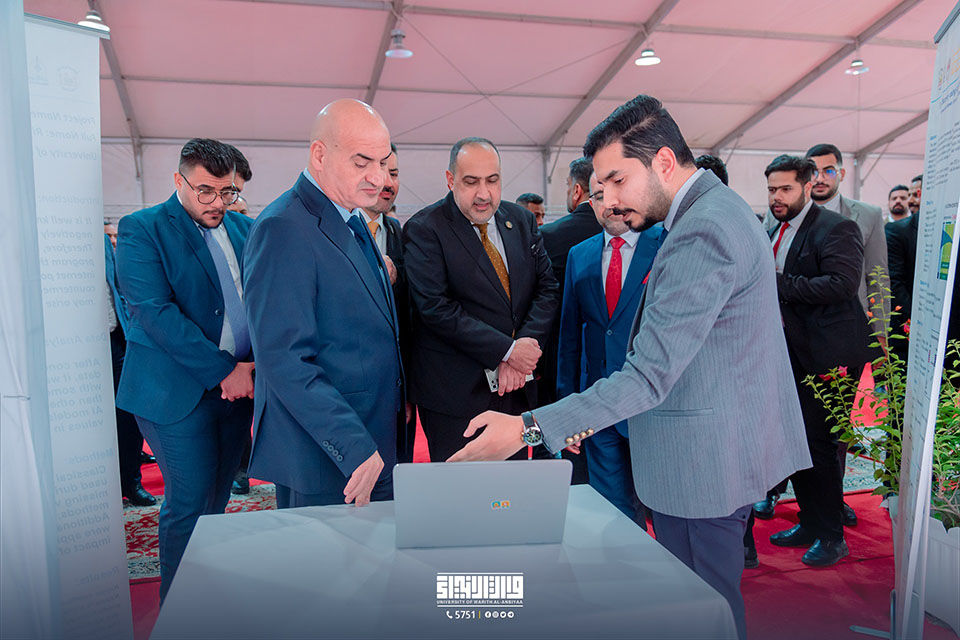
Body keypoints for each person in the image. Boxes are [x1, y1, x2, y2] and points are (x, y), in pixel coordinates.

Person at [449, 95, 810, 640]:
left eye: (618, 180)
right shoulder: (717, 210)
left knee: (703, 609)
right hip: (716, 449)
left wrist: (527, 428)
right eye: (601, 186)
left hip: (702, 466)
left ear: (663, 161)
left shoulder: (702, 229)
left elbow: (648, 374)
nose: (611, 200)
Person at [242, 99, 402, 509]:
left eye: (383, 163)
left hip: (374, 439)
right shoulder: (284, 227)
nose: (378, 177)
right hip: (329, 453)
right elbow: (284, 358)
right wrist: (351, 445)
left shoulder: (350, 216)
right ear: (319, 155)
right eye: (362, 162)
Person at [116, 138, 254, 601]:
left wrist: (251, 367)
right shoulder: (143, 228)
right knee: (190, 500)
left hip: (236, 391)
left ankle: (205, 593)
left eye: (227, 192)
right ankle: (178, 609)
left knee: (216, 500)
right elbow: (155, 314)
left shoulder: (244, 229)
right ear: (179, 180)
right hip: (172, 392)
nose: (218, 203)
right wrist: (225, 371)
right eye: (205, 191)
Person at [403, 137, 559, 463]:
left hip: (516, 393)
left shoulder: (521, 221)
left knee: (513, 488)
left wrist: (524, 348)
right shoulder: (425, 228)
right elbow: (436, 308)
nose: (484, 193)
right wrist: (508, 351)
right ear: (451, 180)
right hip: (455, 397)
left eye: (492, 180)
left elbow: (546, 288)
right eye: (471, 182)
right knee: (461, 491)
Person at [764, 155, 870, 567]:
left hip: (829, 353)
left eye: (785, 189)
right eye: (772, 189)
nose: (776, 197)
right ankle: (810, 523)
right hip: (790, 351)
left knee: (820, 444)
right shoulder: (774, 228)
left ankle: (831, 536)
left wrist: (777, 284)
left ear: (808, 186)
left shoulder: (836, 227)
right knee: (796, 441)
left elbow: (842, 284)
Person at [556, 171, 664, 525]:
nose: (610, 204)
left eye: (616, 192)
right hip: (596, 405)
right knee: (612, 513)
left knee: (663, 512)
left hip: (652, 406)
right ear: (589, 203)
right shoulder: (579, 255)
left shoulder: (665, 244)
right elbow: (569, 337)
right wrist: (568, 407)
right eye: (599, 196)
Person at [360, 142, 416, 463]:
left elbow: (407, 315)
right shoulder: (330, 233)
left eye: (393, 173)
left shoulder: (398, 232)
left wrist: (406, 391)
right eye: (380, 172)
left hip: (394, 391)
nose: (387, 182)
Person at [104, 230, 154, 507]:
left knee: (128, 412)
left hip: (116, 337)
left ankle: (131, 482)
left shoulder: (101, 241)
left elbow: (116, 288)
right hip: (74, 347)